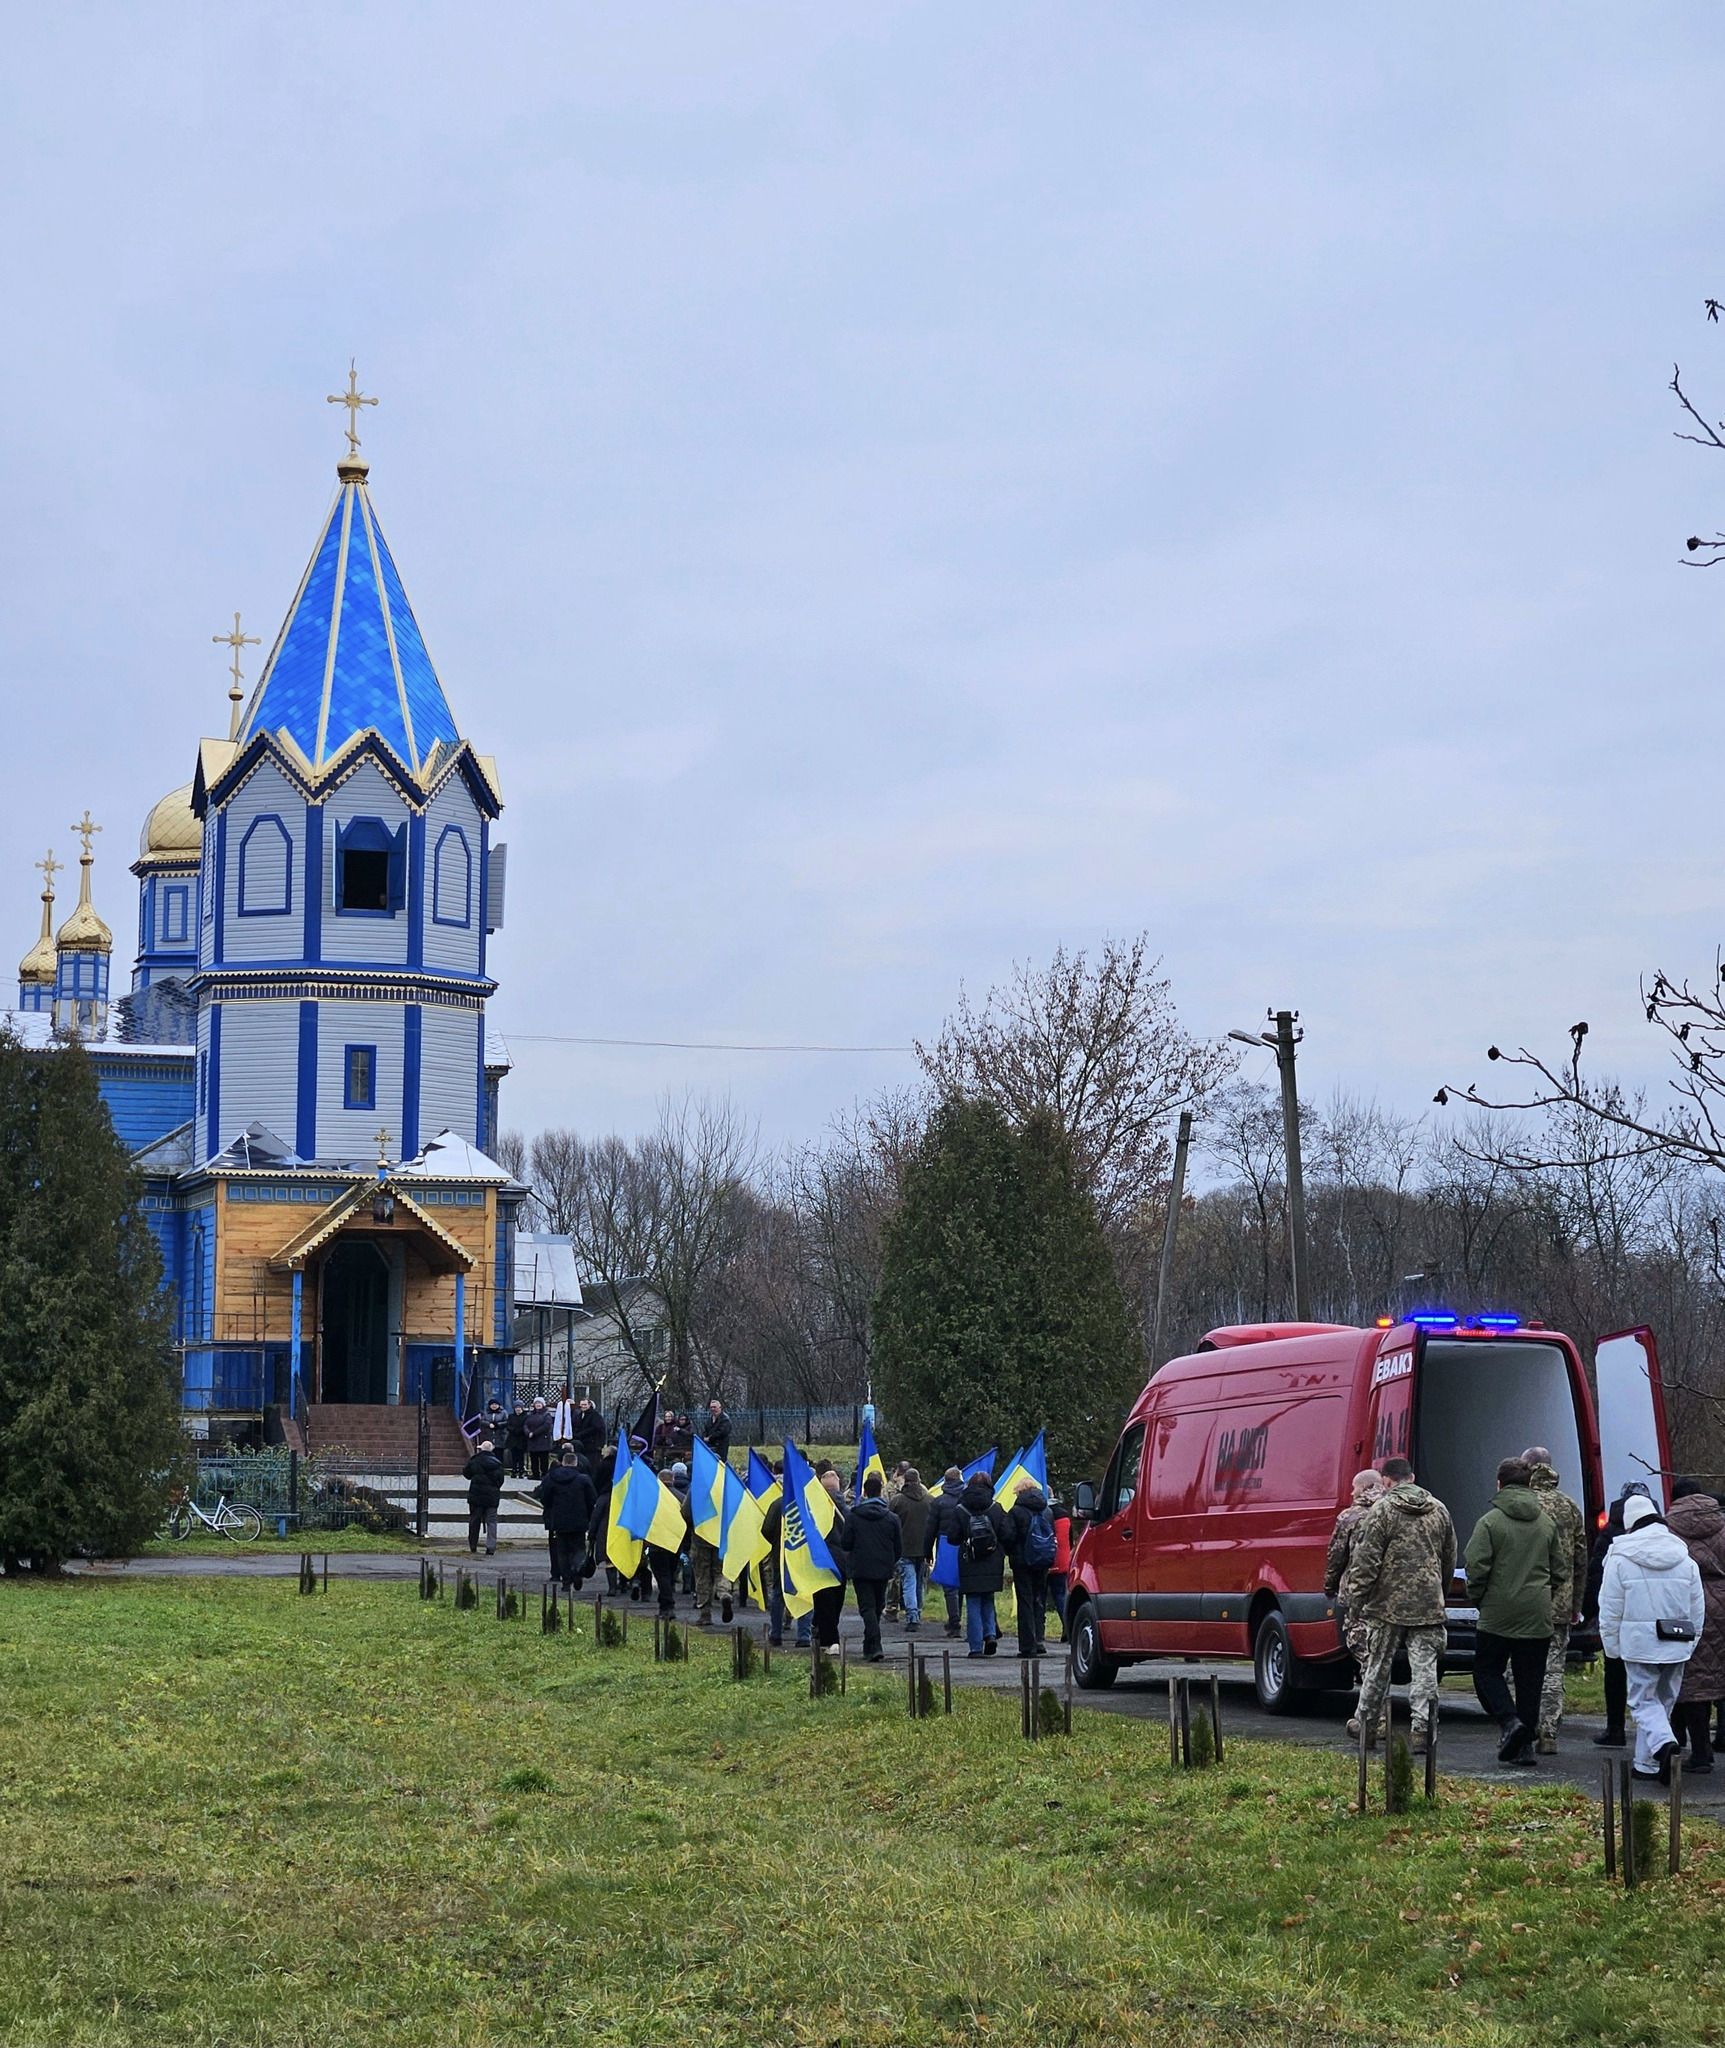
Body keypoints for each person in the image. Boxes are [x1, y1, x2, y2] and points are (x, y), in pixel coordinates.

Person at [1344, 1455, 1455, 1753]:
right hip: (1428, 1604)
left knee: (1378, 1667)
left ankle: (1366, 1726)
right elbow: (1449, 1559)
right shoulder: (1440, 1510)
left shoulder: (1381, 1511)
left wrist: (1356, 1601)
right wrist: (1438, 1593)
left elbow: (1366, 1563)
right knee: (1424, 1670)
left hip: (1386, 1606)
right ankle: (1422, 1730)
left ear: (1386, 1482)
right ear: (1413, 1478)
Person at [1465, 1456, 1565, 1765]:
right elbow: (1560, 1571)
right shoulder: (1547, 1523)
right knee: (1530, 1680)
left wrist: (1479, 1598)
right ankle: (1524, 1748)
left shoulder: (1490, 1522)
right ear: (1529, 1484)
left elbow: (1476, 1566)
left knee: (1486, 1672)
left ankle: (1510, 1722)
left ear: (1500, 1483)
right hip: (1537, 1613)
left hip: (1497, 1612)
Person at [1601, 1492, 1706, 1782]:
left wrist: (1612, 1646)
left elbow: (1609, 1607)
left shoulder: (1619, 1558)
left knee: (1642, 1702)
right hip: (1678, 1642)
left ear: (1629, 1523)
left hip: (1638, 1643)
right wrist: (1692, 1641)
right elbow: (1698, 1607)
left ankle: (1663, 1747)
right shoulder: (1685, 1559)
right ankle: (1646, 1764)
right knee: (1664, 1701)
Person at [1522, 1445, 1588, 1753]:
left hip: (1522, 1602)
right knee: (1553, 1669)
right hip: (1559, 1604)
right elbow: (1581, 1559)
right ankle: (1548, 1731)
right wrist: (1576, 1605)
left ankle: (1521, 1727)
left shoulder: (1520, 1503)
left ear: (1528, 1468)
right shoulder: (1569, 1507)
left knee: (1518, 1667)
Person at [1661, 1482, 1725, 1773]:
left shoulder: (1667, 1529)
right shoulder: (1722, 1525)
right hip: (1722, 1603)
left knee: (1690, 1677)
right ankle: (1716, 1739)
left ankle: (1695, 1749)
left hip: (1685, 1602)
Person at [1584, 1484, 1649, 1748]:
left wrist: (1587, 1611)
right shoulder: (1658, 1531)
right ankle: (1656, 1733)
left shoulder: (1610, 1532)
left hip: (1619, 1614)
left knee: (1614, 1671)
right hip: (1649, 1613)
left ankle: (1615, 1728)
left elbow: (1596, 1574)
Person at [1325, 1468, 1385, 1724]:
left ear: (1363, 1488)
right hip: (1389, 1595)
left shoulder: (1350, 1517)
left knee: (1361, 1647)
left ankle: (1373, 1715)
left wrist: (1329, 1586)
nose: (1351, 1492)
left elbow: (1336, 1556)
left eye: (1354, 1487)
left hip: (1359, 1596)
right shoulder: (1392, 1512)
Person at [937, 1468, 1010, 1657]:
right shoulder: (996, 1507)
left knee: (973, 1601)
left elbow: (952, 1537)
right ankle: (991, 1634)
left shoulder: (961, 1509)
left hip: (969, 1560)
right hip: (992, 1560)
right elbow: (1006, 1534)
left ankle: (976, 1646)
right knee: (988, 1598)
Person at [840, 1471, 902, 1661]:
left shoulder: (853, 1516)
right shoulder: (892, 1518)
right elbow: (898, 1547)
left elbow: (845, 1543)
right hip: (883, 1568)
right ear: (881, 1491)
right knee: (877, 1607)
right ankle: (872, 1645)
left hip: (861, 1569)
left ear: (864, 1493)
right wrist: (890, 1560)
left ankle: (874, 1644)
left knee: (867, 1608)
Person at [534, 1447, 597, 1593]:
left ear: (562, 1462)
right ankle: (576, 1571)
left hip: (559, 1520)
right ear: (576, 1463)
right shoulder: (583, 1480)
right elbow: (592, 1499)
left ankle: (566, 1581)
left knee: (561, 1551)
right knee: (578, 1548)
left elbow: (544, 1497)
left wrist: (551, 1510)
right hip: (579, 1520)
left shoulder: (552, 1478)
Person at [1005, 1478, 1056, 1657]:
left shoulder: (1017, 1511)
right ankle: (1040, 1640)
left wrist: (1011, 1552)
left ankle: (1028, 1645)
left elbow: (1008, 1536)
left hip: (1022, 1562)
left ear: (1019, 1491)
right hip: (1042, 1560)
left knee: (1025, 1601)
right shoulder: (1047, 1511)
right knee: (1039, 1600)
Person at [810, 1468, 851, 1652]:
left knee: (823, 1601)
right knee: (837, 1600)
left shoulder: (816, 1510)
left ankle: (829, 1638)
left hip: (822, 1559)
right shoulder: (847, 1510)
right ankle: (828, 1633)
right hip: (842, 1560)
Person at [889, 1466, 932, 1630]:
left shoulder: (897, 1500)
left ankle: (912, 1616)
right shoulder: (929, 1500)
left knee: (909, 1582)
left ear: (905, 1481)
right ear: (919, 1480)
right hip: (924, 1549)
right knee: (919, 1583)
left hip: (903, 1548)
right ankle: (918, 1612)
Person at [927, 1466, 966, 1639]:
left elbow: (930, 1528)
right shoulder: (966, 1499)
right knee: (963, 1583)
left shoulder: (939, 1502)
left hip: (946, 1543)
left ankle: (954, 1621)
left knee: (950, 1586)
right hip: (965, 1543)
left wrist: (927, 1551)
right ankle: (959, 1618)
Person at [648, 1461, 691, 1618]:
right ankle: (665, 1602)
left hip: (657, 1542)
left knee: (662, 1575)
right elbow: (688, 1518)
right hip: (676, 1543)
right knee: (670, 1573)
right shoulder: (682, 1498)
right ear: (672, 1480)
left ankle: (667, 1606)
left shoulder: (653, 1497)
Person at [462, 1437, 506, 1557]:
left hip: (476, 1496)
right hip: (492, 1497)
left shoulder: (475, 1460)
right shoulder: (497, 1463)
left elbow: (466, 1473)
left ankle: (473, 1545)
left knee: (474, 1520)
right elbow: (500, 1481)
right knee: (492, 1521)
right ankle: (491, 1547)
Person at [1048, 1499, 1073, 1626]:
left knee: (1038, 1597)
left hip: (1044, 1560)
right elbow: (1070, 1540)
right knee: (1061, 1595)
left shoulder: (1044, 1514)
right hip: (1063, 1560)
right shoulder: (1065, 1516)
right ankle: (1067, 1626)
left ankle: (1038, 1633)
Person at [523, 1397, 554, 1480]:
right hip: (532, 1440)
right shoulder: (530, 1414)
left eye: (539, 1403)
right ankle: (535, 1474)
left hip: (542, 1439)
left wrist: (534, 1433)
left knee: (543, 1458)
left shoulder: (546, 1414)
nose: (538, 1405)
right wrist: (528, 1432)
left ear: (543, 1404)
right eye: (536, 1403)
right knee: (533, 1458)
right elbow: (525, 1424)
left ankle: (544, 1474)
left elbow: (546, 1426)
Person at [570, 1397, 606, 1466]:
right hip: (583, 1443)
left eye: (585, 1404)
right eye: (582, 1405)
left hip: (592, 1445)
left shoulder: (595, 1415)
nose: (583, 1406)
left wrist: (580, 1434)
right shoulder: (579, 1415)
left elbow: (595, 1428)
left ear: (589, 1405)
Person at [701, 1398, 733, 1463]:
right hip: (709, 1446)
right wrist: (704, 1437)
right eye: (711, 1407)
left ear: (720, 1407)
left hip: (720, 1447)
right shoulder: (709, 1419)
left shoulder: (725, 1419)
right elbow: (705, 1430)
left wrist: (709, 1438)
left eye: (714, 1407)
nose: (713, 1409)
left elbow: (722, 1432)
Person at [504, 1403, 529, 1481]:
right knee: (514, 1456)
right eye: (516, 1408)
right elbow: (508, 1425)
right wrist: (513, 1430)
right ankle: (514, 1470)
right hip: (512, 1438)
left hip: (522, 1438)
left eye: (519, 1408)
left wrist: (519, 1430)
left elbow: (526, 1425)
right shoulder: (511, 1416)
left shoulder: (526, 1416)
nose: (518, 1409)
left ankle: (521, 1470)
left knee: (521, 1456)